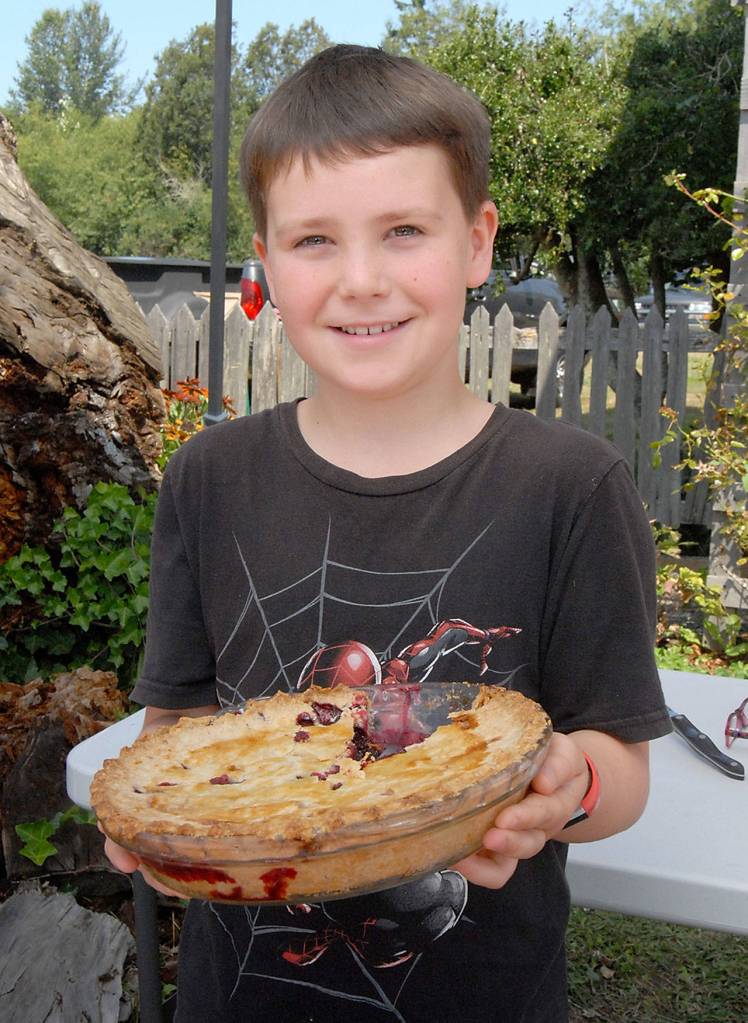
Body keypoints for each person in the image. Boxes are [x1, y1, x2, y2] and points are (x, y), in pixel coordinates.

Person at [105, 44, 672, 1023]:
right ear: (267, 259)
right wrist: (167, 829)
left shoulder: (571, 487)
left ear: (476, 241)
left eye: (403, 229)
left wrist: (567, 785)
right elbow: (176, 732)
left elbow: (617, 770)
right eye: (314, 240)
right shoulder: (209, 476)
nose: (361, 279)